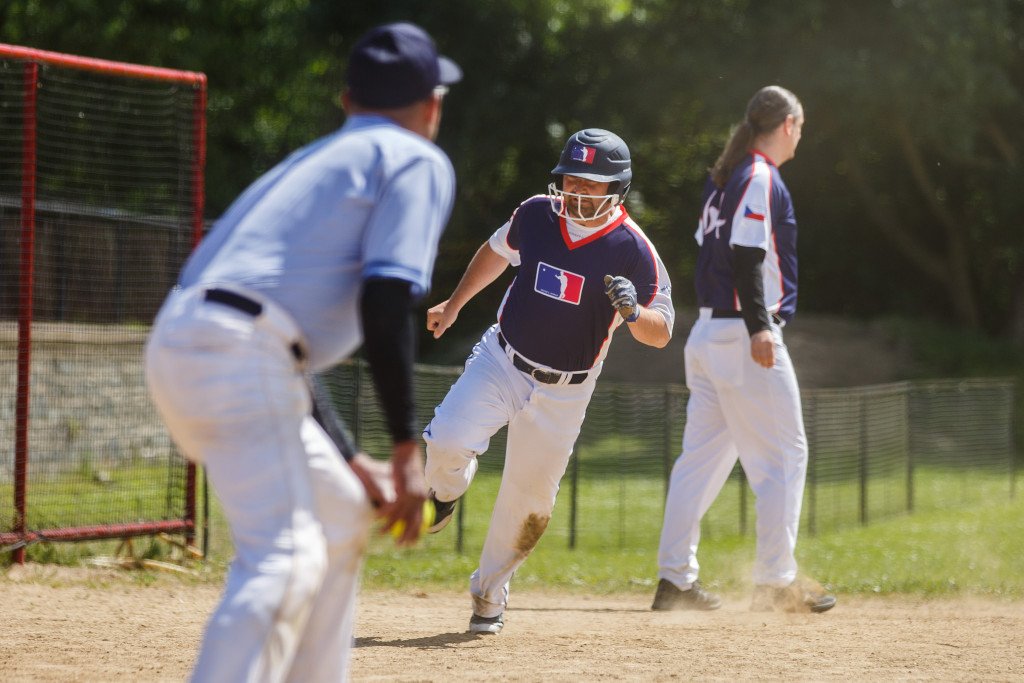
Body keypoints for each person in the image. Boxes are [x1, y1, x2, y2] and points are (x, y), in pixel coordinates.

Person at [144, 22, 461, 681]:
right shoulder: (415, 157)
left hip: (195, 342)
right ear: (432, 105)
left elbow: (280, 344)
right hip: (237, 350)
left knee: (342, 508)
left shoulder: (315, 161)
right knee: (285, 552)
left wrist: (351, 458)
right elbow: (385, 297)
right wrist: (407, 450)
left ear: (348, 103)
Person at [423, 128, 674, 634]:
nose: (578, 192)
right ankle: (444, 493)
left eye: (592, 184)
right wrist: (454, 304)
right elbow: (496, 251)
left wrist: (633, 310)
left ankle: (489, 597)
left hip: (566, 388)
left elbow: (662, 332)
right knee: (447, 440)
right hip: (502, 357)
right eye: (572, 181)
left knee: (529, 503)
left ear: (616, 189)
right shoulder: (537, 212)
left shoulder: (634, 249)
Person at [651, 85, 836, 614]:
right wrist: (759, 327)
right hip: (742, 334)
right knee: (786, 455)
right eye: (800, 125)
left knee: (700, 462)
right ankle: (776, 581)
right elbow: (746, 254)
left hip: (710, 334)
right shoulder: (757, 176)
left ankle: (674, 581)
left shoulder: (726, 181)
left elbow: (709, 257)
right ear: (787, 125)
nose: (801, 135)